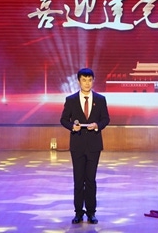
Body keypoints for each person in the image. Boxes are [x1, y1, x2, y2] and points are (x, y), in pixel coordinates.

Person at [60, 67, 110, 224]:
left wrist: (97, 125)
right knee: (78, 180)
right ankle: (78, 213)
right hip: (77, 145)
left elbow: (106, 119)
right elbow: (63, 119)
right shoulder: (71, 100)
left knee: (90, 180)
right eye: (84, 80)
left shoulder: (100, 99)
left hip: (94, 145)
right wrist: (72, 127)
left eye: (89, 80)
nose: (87, 83)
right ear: (78, 81)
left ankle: (91, 212)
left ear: (93, 81)